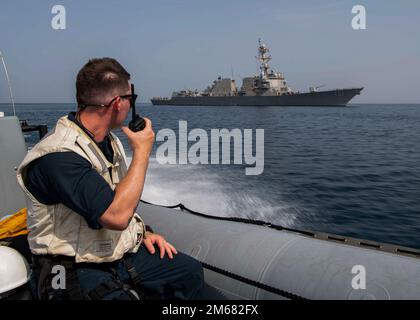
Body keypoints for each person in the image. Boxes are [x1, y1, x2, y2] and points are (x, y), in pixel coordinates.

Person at [15, 58, 206, 300]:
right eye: (130, 99)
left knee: (189, 273)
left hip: (112, 254)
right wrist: (143, 151)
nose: (131, 105)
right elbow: (116, 216)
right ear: (118, 104)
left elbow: (115, 192)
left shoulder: (106, 140)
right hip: (70, 266)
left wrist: (143, 233)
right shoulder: (59, 157)